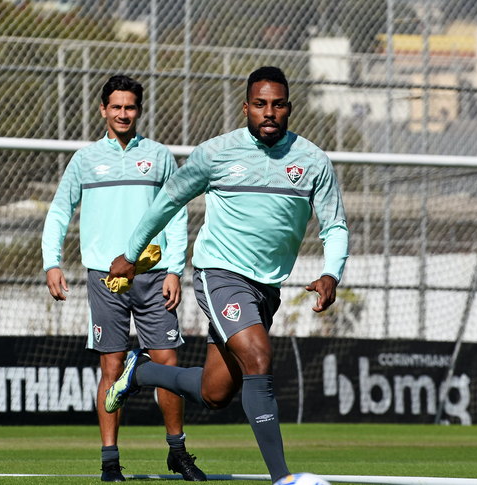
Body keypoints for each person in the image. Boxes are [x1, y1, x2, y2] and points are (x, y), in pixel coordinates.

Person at [104, 66, 349, 484]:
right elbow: (168, 201)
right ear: (245, 107)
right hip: (220, 273)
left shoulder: (312, 161)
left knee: (215, 393)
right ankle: (283, 478)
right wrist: (131, 254)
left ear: (289, 108)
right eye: (260, 104)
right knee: (259, 357)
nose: (268, 112)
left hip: (266, 288)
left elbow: (335, 226)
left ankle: (141, 370)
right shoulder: (216, 153)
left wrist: (332, 273)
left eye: (277, 104)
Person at [41, 75, 206, 482]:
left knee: (167, 363)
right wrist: (52, 263)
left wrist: (174, 268)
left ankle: (177, 451)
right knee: (111, 368)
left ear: (139, 110)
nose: (123, 113)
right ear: (103, 110)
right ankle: (110, 461)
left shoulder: (159, 156)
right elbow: (60, 211)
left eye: (130, 107)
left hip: (154, 277)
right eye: (115, 106)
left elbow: (176, 213)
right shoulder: (85, 159)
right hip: (104, 278)